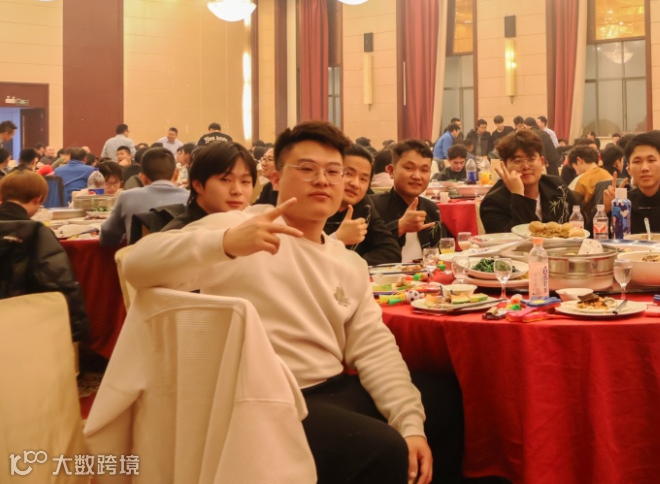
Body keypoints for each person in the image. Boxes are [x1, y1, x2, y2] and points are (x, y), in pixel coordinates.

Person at [123, 122, 443, 484]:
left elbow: (374, 348)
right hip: (263, 399)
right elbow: (138, 264)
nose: (322, 180)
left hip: (332, 387)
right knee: (382, 448)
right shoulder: (240, 227)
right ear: (275, 178)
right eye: (306, 169)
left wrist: (410, 423)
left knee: (445, 401)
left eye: (334, 171)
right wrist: (224, 243)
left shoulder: (347, 262)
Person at [0, 171, 89, 343]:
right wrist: (78, 329)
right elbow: (60, 282)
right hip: (26, 325)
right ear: (38, 199)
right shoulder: (36, 232)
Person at [481, 130, 583, 234]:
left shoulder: (557, 187)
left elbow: (582, 224)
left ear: (542, 162)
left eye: (531, 159)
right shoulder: (493, 202)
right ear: (504, 166)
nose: (526, 166)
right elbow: (515, 239)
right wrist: (518, 195)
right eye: (517, 161)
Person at [600, 132, 660, 235]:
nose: (645, 168)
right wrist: (606, 210)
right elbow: (596, 240)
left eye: (651, 160)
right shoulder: (624, 203)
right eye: (637, 161)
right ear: (629, 169)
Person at [370, 140, 449, 259]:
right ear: (391, 171)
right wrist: (399, 227)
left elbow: (441, 256)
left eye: (424, 170)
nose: (417, 176)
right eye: (409, 168)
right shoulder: (372, 207)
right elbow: (359, 254)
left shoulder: (431, 209)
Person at [324, 145, 401, 266]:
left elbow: (391, 252)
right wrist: (337, 239)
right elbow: (301, 259)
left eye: (363, 179)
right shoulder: (311, 205)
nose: (355, 184)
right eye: (348, 173)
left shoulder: (364, 206)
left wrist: (354, 265)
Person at [99, 148, 189, 247]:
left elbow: (108, 236)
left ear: (142, 178)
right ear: (176, 174)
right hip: (182, 256)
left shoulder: (127, 197)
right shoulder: (190, 198)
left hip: (138, 255)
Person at [161, 142, 257, 232]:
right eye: (225, 179)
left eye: (245, 181)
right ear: (198, 185)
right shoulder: (181, 233)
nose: (237, 191)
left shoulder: (249, 226)